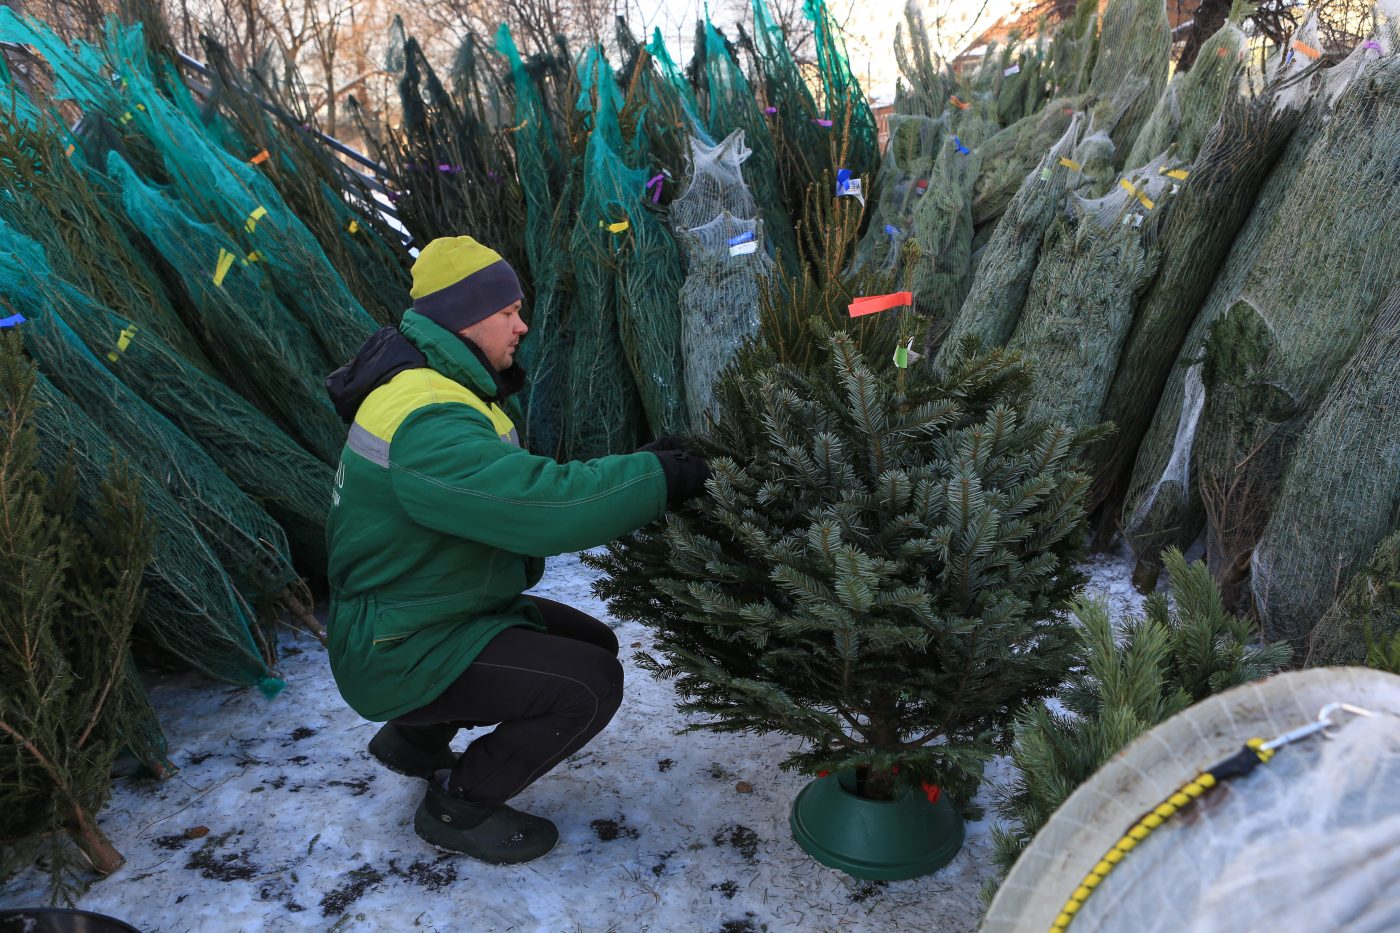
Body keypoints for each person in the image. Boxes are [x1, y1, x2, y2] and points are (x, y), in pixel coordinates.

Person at [323, 236, 708, 864]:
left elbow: (510, 486)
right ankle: (459, 806)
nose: (521, 326)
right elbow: (542, 509)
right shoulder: (429, 418)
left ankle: (413, 743)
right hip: (400, 644)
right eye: (509, 311)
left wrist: (640, 464)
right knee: (586, 685)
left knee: (590, 643)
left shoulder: (437, 387)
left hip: (425, 614)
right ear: (465, 315)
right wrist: (660, 479)